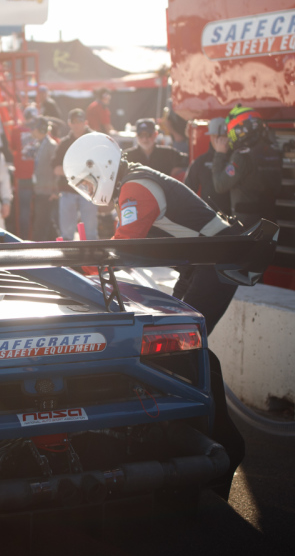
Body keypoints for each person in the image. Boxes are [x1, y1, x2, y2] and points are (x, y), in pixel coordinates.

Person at [62, 131, 249, 495]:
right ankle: (198, 439)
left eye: (87, 181)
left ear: (100, 165)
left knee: (183, 349)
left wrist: (81, 263)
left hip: (215, 265)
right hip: (204, 264)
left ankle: (224, 445)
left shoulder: (136, 188)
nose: (88, 189)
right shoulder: (133, 183)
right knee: (177, 352)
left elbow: (124, 247)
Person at [211, 106, 279, 226]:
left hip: (247, 225)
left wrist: (220, 154)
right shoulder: (272, 150)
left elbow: (219, 185)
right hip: (270, 221)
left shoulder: (242, 156)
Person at [53, 108, 99, 240]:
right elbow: (56, 168)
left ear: (85, 122)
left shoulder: (95, 140)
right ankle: (67, 259)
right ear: (69, 123)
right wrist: (79, 172)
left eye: (80, 121)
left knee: (91, 233)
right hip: (68, 191)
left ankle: (93, 257)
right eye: (74, 121)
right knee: (67, 234)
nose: (77, 124)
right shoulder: (64, 143)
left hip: (90, 192)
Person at [184, 117, 231, 213]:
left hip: (234, 216)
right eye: (214, 136)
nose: (218, 140)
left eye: (222, 136)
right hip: (210, 218)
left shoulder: (237, 158)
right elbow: (187, 191)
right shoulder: (201, 162)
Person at [31, 116, 63, 240]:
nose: (32, 131)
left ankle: (37, 247)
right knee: (46, 221)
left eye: (34, 128)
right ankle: (59, 242)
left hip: (47, 191)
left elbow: (55, 169)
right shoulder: (39, 144)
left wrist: (55, 190)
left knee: (41, 223)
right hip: (40, 188)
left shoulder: (51, 145)